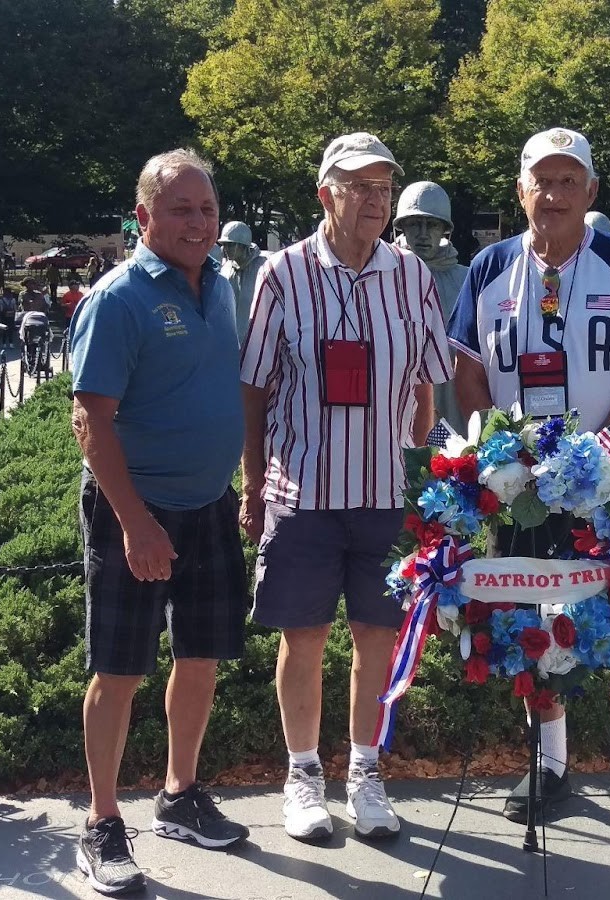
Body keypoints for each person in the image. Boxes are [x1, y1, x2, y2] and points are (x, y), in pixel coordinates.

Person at [448, 127, 610, 836]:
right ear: (520, 190)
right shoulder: (489, 267)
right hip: (520, 488)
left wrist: (599, 457)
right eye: (541, 181)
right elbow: (467, 377)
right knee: (533, 617)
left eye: (568, 181)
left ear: (591, 191)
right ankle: (550, 765)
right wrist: (504, 459)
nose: (553, 195)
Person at [239, 132, 452, 844]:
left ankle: (365, 773)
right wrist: (251, 482)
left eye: (383, 188)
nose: (375, 200)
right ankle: (303, 776)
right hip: (303, 491)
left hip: (382, 493)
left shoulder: (411, 275)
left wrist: (424, 453)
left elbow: (427, 379)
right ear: (324, 194)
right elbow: (255, 387)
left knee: (377, 639)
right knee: (303, 638)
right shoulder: (283, 274)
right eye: (359, 186)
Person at [71, 148, 250, 895]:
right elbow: (90, 421)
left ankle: (179, 795)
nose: (199, 223)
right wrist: (136, 524)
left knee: (200, 656)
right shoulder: (117, 300)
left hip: (210, 505)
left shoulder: (222, 287)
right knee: (119, 671)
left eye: (207, 209)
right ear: (143, 217)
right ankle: (101, 822)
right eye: (181, 209)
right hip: (135, 512)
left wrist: (242, 483)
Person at [393, 182, 469, 428]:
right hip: (399, 402)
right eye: (415, 224)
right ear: (402, 227)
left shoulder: (465, 280)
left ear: (445, 229)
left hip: (453, 401)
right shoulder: (382, 275)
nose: (423, 233)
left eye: (433, 225)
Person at [217, 221, 261, 342]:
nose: (226, 249)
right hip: (230, 339)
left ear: (243, 245)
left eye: (230, 245)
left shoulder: (261, 268)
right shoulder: (225, 269)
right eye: (224, 245)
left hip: (255, 339)